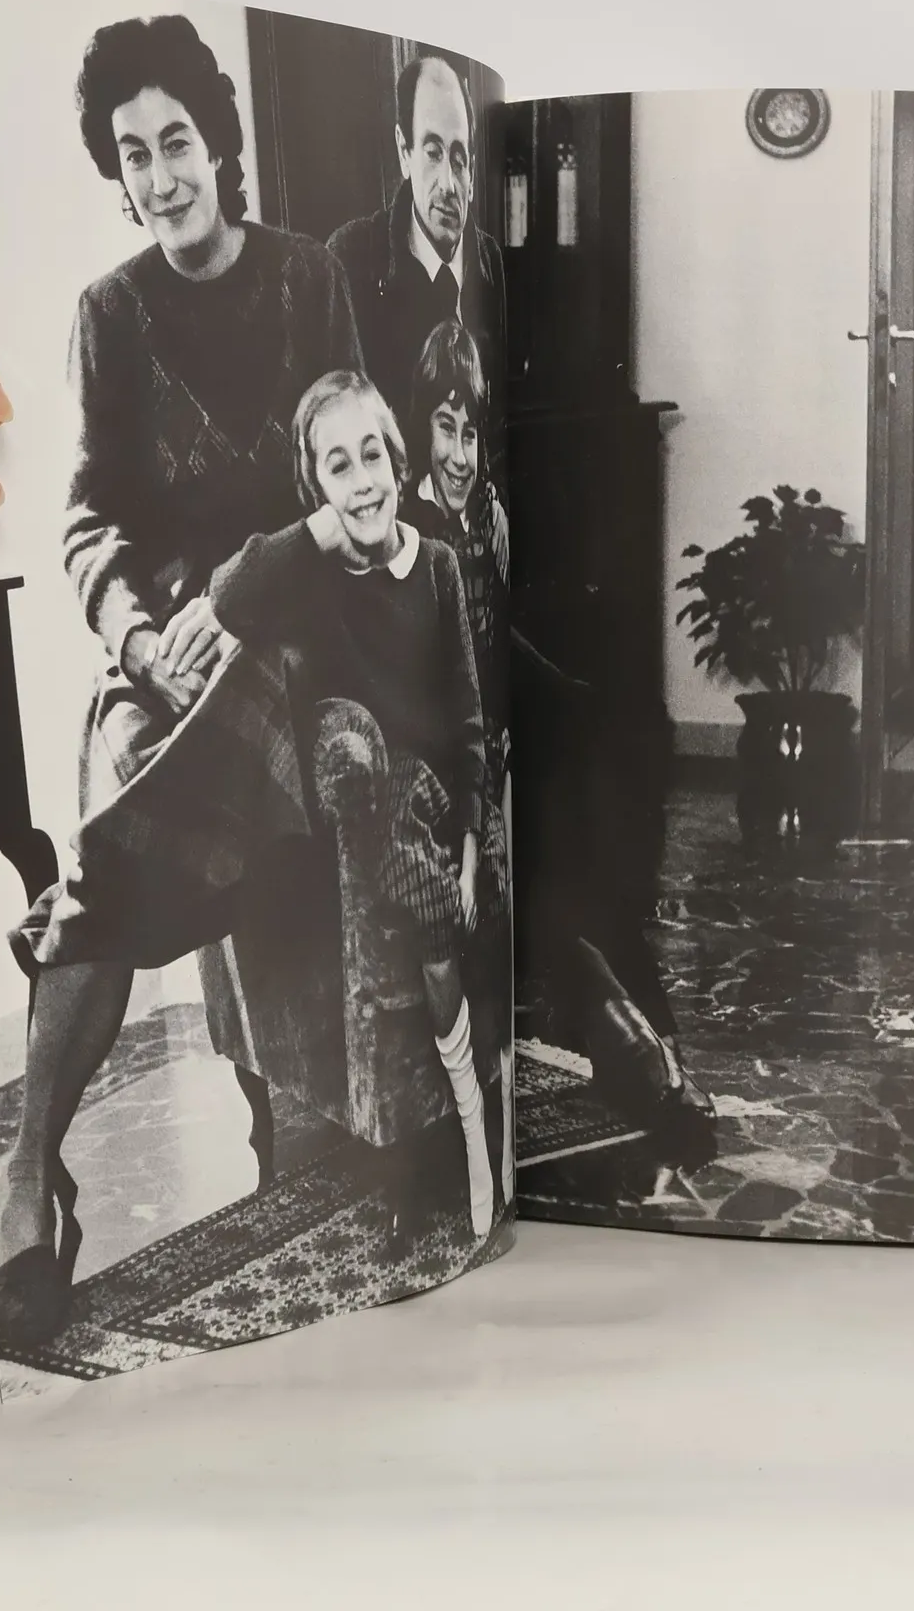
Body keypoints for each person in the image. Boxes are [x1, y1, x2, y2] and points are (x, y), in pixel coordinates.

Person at [0, 13, 366, 1342]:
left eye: (177, 143)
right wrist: (139, 639)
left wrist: (235, 598)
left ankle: (29, 1179)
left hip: (294, 623)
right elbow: (88, 520)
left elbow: (352, 479)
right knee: (136, 751)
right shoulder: (109, 314)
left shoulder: (310, 279)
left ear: (220, 146)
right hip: (161, 646)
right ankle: (42, 1162)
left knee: (209, 739)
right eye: (135, 153)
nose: (160, 175)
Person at [210, 370, 502, 1242]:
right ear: (318, 491)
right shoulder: (316, 577)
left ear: (400, 464)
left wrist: (475, 840)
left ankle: (482, 1101)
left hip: (444, 800)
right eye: (337, 467)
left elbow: (469, 718)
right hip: (379, 805)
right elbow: (229, 594)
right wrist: (315, 533)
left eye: (372, 456)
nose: (363, 481)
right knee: (426, 893)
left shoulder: (436, 565)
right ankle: (466, 1120)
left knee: (474, 888)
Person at [407, 317, 513, 1199]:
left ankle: (495, 1111)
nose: (461, 453)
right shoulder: (405, 533)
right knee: (448, 923)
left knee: (499, 921)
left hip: (484, 757)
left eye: (471, 433)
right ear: (419, 429)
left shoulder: (484, 524)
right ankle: (458, 1122)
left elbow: (497, 645)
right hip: (430, 770)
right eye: (445, 428)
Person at [324, 53, 507, 454]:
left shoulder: (491, 262)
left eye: (459, 159)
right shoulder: (350, 260)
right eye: (433, 152)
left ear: (473, 172)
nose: (449, 184)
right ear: (403, 152)